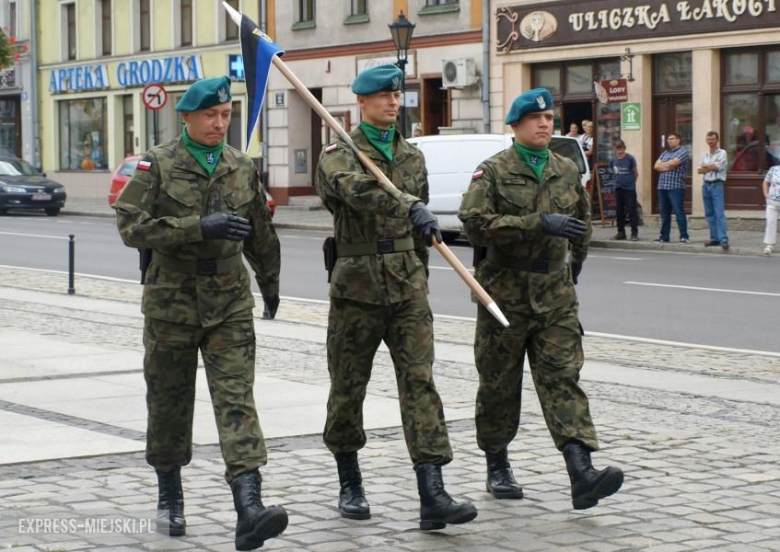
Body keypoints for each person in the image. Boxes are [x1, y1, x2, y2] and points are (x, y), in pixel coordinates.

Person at [114, 76, 287, 551]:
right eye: (210, 115)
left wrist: (270, 285)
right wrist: (196, 226)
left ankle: (249, 508)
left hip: (229, 299)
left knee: (237, 399)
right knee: (169, 401)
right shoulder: (159, 164)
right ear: (186, 118)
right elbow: (131, 225)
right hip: (172, 302)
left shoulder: (240, 166)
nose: (219, 123)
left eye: (226, 115)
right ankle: (170, 495)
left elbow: (261, 233)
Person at [315, 64, 477, 531]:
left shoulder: (412, 156)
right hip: (357, 290)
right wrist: (409, 205)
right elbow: (357, 192)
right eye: (383, 96)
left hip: (408, 288)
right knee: (348, 388)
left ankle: (433, 492)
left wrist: (419, 267)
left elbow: (418, 225)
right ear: (361, 102)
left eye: (396, 95)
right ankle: (349, 481)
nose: (392, 102)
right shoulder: (339, 153)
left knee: (420, 385)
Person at [458, 88, 624, 511]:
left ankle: (581, 471)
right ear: (515, 126)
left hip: (554, 295)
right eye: (535, 119)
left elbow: (582, 223)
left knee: (562, 378)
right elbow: (475, 225)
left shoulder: (566, 169)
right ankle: (497, 465)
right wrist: (536, 223)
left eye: (549, 117)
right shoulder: (492, 171)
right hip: (504, 295)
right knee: (499, 384)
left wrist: (576, 267)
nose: (545, 124)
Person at [653, 132, 690, 243]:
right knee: (664, 213)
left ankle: (684, 236)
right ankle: (664, 236)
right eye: (668, 139)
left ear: (678, 140)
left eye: (672, 139)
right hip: (662, 186)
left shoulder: (682, 152)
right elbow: (656, 166)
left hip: (676, 187)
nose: (669, 141)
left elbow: (673, 164)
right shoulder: (665, 153)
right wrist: (668, 166)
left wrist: (665, 165)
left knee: (679, 212)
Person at [697, 131, 729, 250]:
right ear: (706, 140)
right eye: (709, 139)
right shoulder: (704, 154)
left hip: (717, 185)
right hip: (706, 185)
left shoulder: (722, 153)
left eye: (713, 139)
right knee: (709, 213)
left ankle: (723, 239)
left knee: (719, 213)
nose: (711, 141)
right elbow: (699, 171)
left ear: (717, 140)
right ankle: (714, 238)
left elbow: (718, 167)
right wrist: (710, 166)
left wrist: (707, 167)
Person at [609, 139, 639, 241]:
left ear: (624, 148)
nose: (619, 150)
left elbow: (635, 173)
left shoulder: (630, 159)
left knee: (631, 210)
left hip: (629, 189)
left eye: (621, 148)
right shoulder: (613, 160)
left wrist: (631, 183)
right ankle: (621, 232)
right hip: (618, 188)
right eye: (617, 148)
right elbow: (612, 172)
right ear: (615, 149)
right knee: (619, 211)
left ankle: (634, 232)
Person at [762, 163, 780, 255]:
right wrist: (766, 195)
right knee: (771, 223)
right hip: (772, 201)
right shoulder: (773, 169)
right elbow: (765, 182)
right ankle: (769, 245)